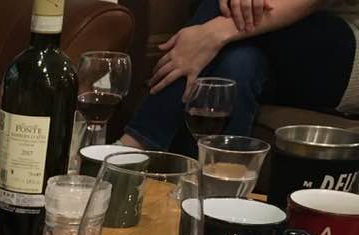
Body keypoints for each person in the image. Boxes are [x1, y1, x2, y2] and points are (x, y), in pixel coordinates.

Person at [121, 0, 358, 150]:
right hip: (266, 47)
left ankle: (135, 143)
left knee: (219, 9)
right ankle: (215, 195)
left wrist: (214, 32)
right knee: (240, 62)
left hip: (338, 53)